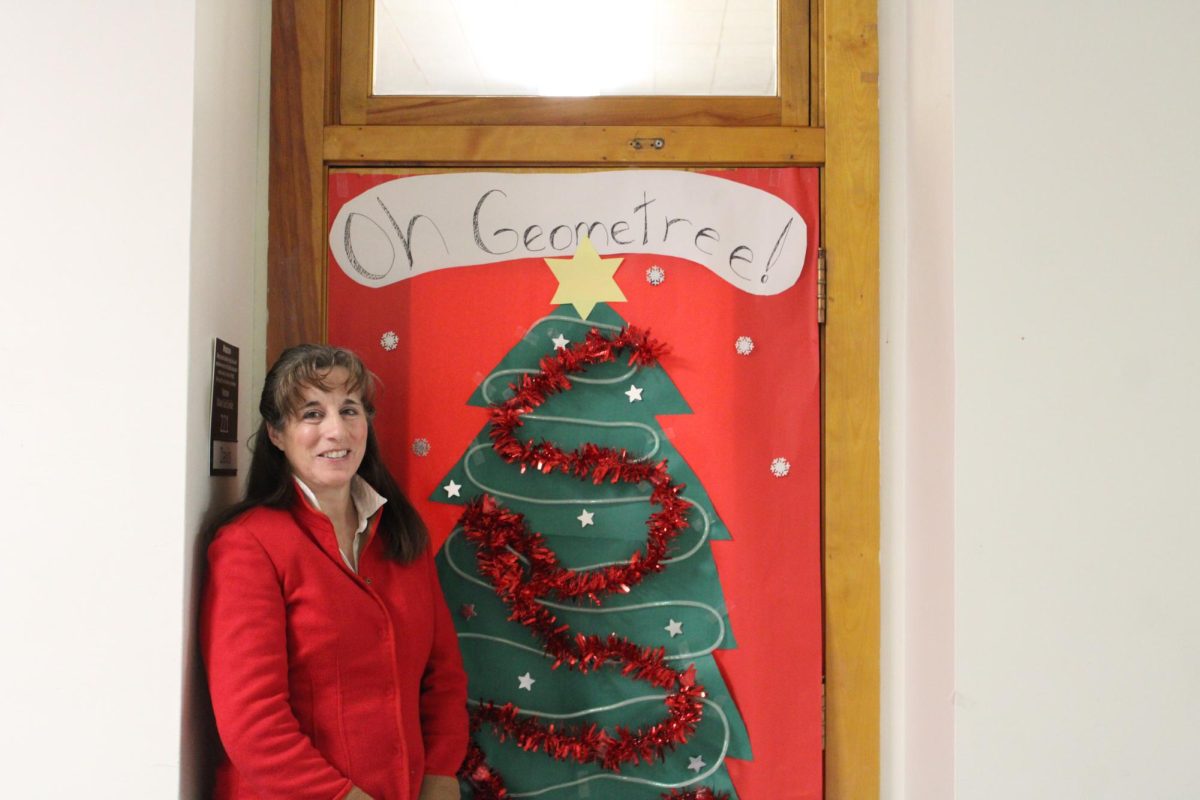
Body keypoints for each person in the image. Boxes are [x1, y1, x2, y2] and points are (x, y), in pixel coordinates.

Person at [201, 344, 468, 800]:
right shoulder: (248, 545)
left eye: (349, 409)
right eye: (311, 413)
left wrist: (440, 779)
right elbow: (253, 724)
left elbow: (442, 677)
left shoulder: (402, 533)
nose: (336, 429)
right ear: (277, 433)